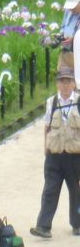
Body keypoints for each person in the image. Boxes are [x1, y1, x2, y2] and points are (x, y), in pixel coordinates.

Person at [30, 68, 80, 238]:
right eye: (62, 81)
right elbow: (47, 126)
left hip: (75, 156)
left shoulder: (79, 101)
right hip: (54, 155)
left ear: (74, 83)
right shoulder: (51, 102)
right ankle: (43, 226)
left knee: (76, 191)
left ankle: (78, 224)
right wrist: (46, 148)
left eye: (68, 81)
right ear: (57, 84)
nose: (65, 85)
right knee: (50, 190)